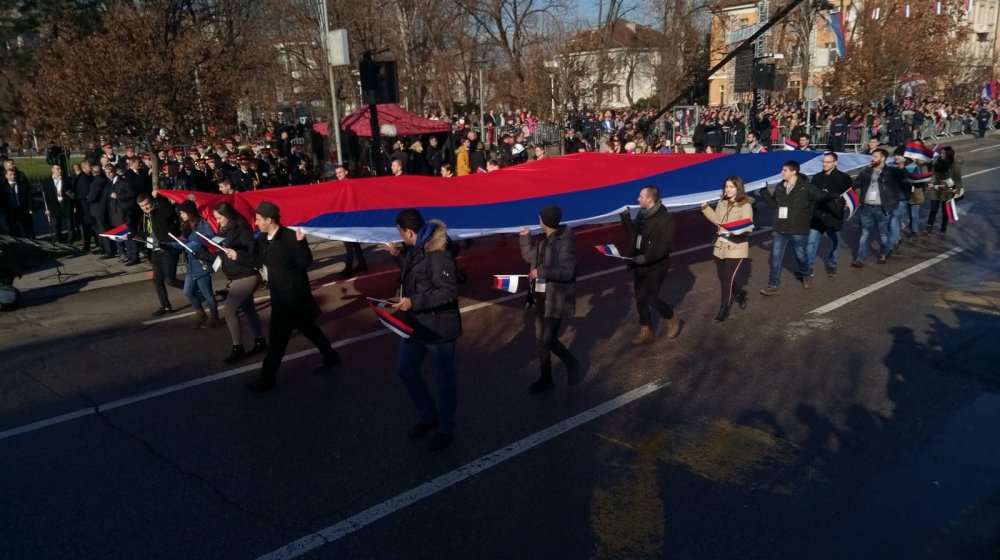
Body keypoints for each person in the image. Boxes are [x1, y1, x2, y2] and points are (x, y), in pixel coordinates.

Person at [224, 201, 340, 393]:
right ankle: (330, 355)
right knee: (308, 328)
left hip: (292, 297)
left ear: (269, 220)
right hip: (279, 294)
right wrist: (238, 256)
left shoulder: (290, 237)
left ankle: (266, 380)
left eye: (259, 219)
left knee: (277, 341)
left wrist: (302, 243)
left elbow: (305, 262)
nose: (256, 223)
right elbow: (258, 260)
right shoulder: (262, 238)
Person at [384, 209, 461, 451]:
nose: (400, 237)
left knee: (444, 380)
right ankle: (429, 415)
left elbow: (448, 291)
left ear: (409, 231)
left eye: (400, 234)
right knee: (405, 369)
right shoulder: (417, 247)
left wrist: (413, 302)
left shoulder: (437, 253)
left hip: (438, 328)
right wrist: (397, 255)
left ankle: (445, 428)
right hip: (416, 324)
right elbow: (413, 271)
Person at [519, 205, 581, 393]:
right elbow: (530, 257)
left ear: (545, 220)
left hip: (555, 298)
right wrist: (525, 237)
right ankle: (546, 378)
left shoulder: (565, 242)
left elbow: (568, 270)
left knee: (548, 339)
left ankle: (571, 362)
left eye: (540, 218)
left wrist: (542, 271)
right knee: (541, 341)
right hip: (539, 297)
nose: (538, 220)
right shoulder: (542, 240)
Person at [620, 186, 679, 345]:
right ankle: (646, 330)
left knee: (651, 298)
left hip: (655, 266)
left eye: (641, 196)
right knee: (640, 299)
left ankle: (670, 316)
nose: (637, 199)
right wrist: (625, 218)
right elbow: (634, 235)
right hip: (639, 265)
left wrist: (646, 257)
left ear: (650, 199)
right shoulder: (642, 214)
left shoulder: (664, 219)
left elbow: (664, 246)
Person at [757, 160, 828, 294]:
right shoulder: (779, 187)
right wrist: (763, 191)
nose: (781, 172)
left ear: (794, 172)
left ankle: (806, 274)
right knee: (775, 258)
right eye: (782, 170)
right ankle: (773, 285)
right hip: (780, 228)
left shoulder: (806, 187)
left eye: (785, 170)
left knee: (801, 256)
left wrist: (836, 198)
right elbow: (773, 205)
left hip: (797, 229)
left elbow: (821, 197)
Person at [213, 202, 267, 363]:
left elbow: (252, 255)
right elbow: (222, 254)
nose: (218, 222)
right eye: (216, 219)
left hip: (246, 275)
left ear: (228, 216)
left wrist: (238, 254)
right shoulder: (224, 230)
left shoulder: (242, 229)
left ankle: (238, 347)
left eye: (220, 218)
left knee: (229, 311)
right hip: (236, 275)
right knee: (249, 309)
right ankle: (260, 340)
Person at [700, 176, 753, 321]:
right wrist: (705, 208)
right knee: (723, 278)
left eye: (731, 187)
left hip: (736, 247)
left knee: (727, 279)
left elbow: (748, 226)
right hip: (720, 246)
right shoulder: (722, 202)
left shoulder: (745, 205)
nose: (728, 189)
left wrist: (734, 229)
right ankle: (740, 294)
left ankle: (724, 309)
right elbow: (717, 220)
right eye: (726, 186)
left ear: (738, 188)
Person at [851, 148, 905, 267]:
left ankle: (883, 254)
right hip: (866, 207)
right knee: (865, 233)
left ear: (883, 158)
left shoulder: (891, 171)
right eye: (872, 156)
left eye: (875, 156)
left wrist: (901, 164)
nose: (872, 158)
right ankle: (860, 259)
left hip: (882, 208)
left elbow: (903, 176)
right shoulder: (867, 171)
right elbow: (855, 184)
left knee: (883, 234)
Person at [132, 191, 183, 315]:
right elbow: (147, 233)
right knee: (157, 280)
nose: (145, 208)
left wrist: (158, 197)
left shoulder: (161, 211)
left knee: (170, 280)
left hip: (168, 249)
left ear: (152, 202)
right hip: (155, 250)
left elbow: (169, 211)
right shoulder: (144, 216)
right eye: (142, 206)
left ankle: (194, 289)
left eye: (147, 204)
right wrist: (133, 235)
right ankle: (165, 306)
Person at [171, 199, 219, 329]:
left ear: (190, 212)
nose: (181, 216)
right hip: (190, 265)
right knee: (188, 292)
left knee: (207, 293)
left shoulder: (203, 224)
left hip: (201, 263)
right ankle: (201, 314)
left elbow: (209, 239)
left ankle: (215, 317)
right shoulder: (186, 225)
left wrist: (193, 242)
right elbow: (182, 241)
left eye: (183, 213)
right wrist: (170, 245)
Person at [806, 152, 853, 277]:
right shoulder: (817, 177)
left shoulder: (844, 178)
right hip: (818, 215)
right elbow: (811, 194)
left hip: (834, 216)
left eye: (828, 162)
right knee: (811, 242)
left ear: (835, 163)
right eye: (823, 162)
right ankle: (808, 268)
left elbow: (850, 195)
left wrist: (846, 203)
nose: (825, 164)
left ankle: (832, 265)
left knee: (834, 243)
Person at [333, 165, 367, 277]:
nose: (338, 175)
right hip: (344, 216)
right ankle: (362, 264)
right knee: (353, 242)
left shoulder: (350, 184)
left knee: (348, 242)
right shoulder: (338, 185)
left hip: (350, 217)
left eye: (340, 172)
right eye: (337, 173)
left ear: (346, 172)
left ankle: (349, 266)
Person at [926, 146, 963, 236]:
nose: (941, 155)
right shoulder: (938, 162)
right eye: (941, 153)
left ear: (948, 155)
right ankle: (929, 226)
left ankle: (943, 227)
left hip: (947, 190)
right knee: (933, 209)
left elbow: (958, 179)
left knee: (945, 210)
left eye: (943, 153)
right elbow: (931, 171)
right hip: (937, 188)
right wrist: (930, 162)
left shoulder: (955, 165)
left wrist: (957, 191)